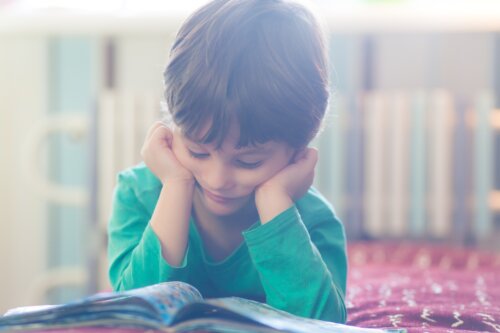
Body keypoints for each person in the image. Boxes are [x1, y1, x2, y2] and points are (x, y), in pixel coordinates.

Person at [107, 0, 347, 323]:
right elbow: (133, 315)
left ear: (297, 151)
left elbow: (321, 323)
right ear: (174, 125)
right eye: (198, 152)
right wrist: (176, 186)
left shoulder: (312, 222)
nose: (217, 178)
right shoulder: (138, 195)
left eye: (248, 162)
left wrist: (274, 202)